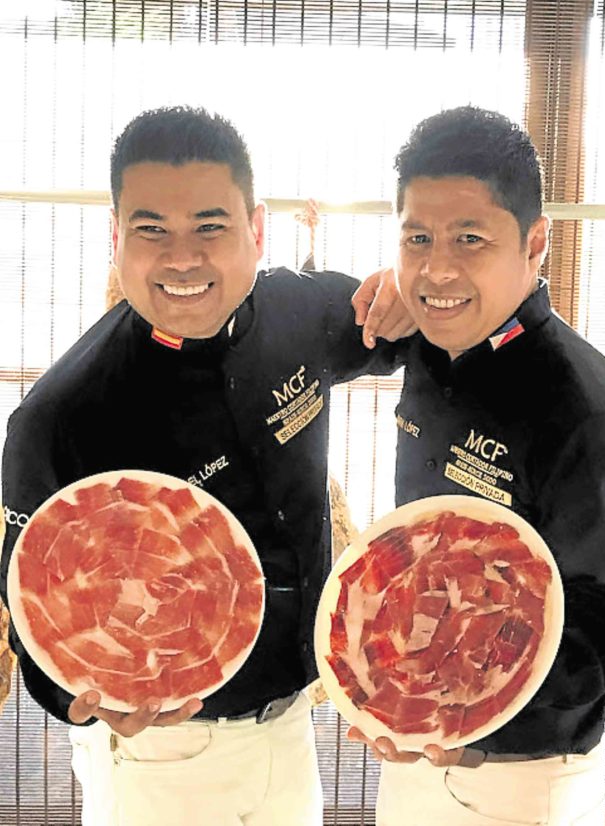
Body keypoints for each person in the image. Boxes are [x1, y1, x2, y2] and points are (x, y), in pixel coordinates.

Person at [0, 106, 413, 826]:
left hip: (290, 724)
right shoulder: (60, 418)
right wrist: (79, 697)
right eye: (151, 229)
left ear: (257, 230)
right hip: (161, 754)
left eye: (210, 228)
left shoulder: (301, 311)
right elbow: (33, 630)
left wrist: (405, 288)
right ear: (116, 237)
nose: (181, 258)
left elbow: (400, 330)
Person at [351, 106, 605, 826]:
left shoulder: (588, 414)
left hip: (523, 782)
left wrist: (464, 709)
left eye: (470, 239)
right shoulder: (433, 343)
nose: (437, 269)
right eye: (417, 238)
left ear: (535, 243)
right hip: (414, 753)